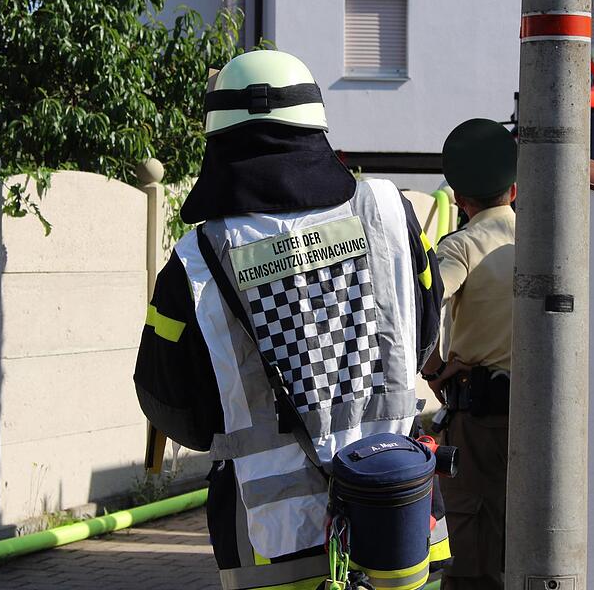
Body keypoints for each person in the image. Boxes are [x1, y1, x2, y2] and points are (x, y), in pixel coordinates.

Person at [133, 50, 448, 590]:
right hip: (399, 509)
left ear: (219, 137)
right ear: (316, 126)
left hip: (268, 530)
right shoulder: (389, 214)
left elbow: (168, 401)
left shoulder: (197, 259)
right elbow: (425, 330)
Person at [421, 118, 516, 590]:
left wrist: (433, 367)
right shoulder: (544, 243)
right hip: (536, 422)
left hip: (477, 425)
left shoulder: (462, 246)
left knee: (470, 559)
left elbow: (418, 308)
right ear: (514, 190)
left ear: (459, 198)